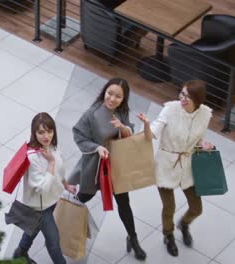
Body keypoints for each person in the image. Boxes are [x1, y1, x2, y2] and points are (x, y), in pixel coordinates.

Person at [69, 77, 147, 261]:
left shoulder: (121, 112)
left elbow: (129, 134)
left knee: (123, 202)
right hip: (94, 166)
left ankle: (133, 239)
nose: (112, 99)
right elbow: (78, 135)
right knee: (82, 198)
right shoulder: (92, 113)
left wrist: (123, 128)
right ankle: (60, 224)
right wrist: (97, 147)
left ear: (123, 99)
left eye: (118, 96)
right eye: (110, 93)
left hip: (115, 166)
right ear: (104, 91)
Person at [137, 80, 213, 257]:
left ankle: (184, 224)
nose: (183, 99)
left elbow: (199, 137)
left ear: (198, 100)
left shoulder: (205, 114)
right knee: (169, 206)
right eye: (182, 93)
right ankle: (168, 235)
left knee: (197, 208)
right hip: (166, 165)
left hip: (188, 165)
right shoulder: (170, 109)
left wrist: (203, 143)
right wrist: (147, 126)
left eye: (189, 96)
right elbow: (153, 133)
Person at [13, 112, 76, 264]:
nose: (46, 136)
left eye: (49, 131)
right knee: (53, 241)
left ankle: (20, 252)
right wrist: (51, 163)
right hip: (38, 207)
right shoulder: (32, 157)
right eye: (41, 132)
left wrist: (66, 184)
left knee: (33, 228)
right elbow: (42, 188)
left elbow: (60, 170)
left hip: (51, 200)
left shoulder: (52, 147)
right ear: (34, 133)